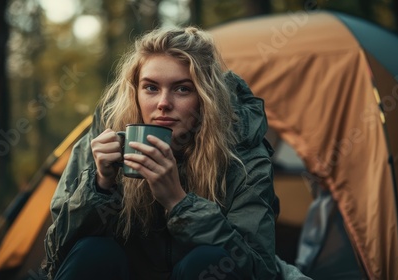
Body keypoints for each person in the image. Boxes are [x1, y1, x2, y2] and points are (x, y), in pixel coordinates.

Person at [43, 26, 279, 280]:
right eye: (151, 88)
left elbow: (260, 271)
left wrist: (179, 202)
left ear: (205, 98)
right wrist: (100, 186)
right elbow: (55, 260)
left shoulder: (243, 157)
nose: (163, 103)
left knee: (208, 261)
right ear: (135, 93)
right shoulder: (101, 145)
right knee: (95, 252)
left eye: (182, 89)